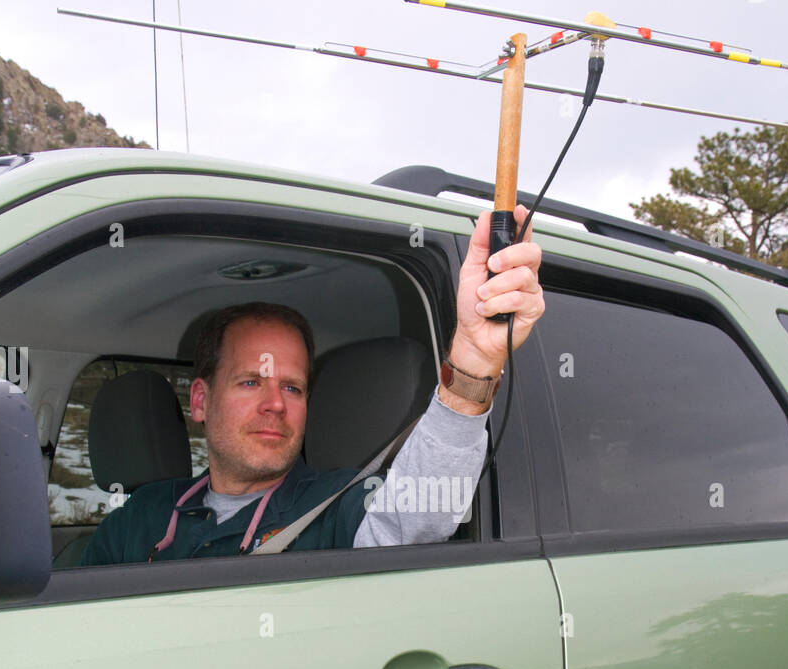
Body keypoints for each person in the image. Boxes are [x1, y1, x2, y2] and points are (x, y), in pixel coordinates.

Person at [79, 206, 544, 565]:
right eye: (249, 382)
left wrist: (474, 359)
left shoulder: (339, 503)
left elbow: (414, 519)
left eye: (294, 388)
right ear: (200, 400)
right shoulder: (142, 518)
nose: (275, 405)